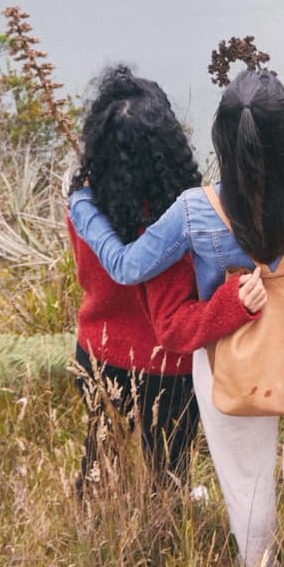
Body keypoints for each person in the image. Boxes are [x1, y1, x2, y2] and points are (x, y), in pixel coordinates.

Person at [69, 67, 284, 567]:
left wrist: (83, 208)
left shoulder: (193, 211)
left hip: (231, 357)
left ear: (221, 138)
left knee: (247, 479)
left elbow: (129, 265)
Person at [68, 66, 267, 492]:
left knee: (99, 456)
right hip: (166, 371)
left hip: (97, 353)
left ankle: (93, 524)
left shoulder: (84, 209)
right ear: (169, 144)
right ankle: (161, 532)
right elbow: (177, 325)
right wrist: (234, 301)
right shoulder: (177, 227)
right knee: (168, 470)